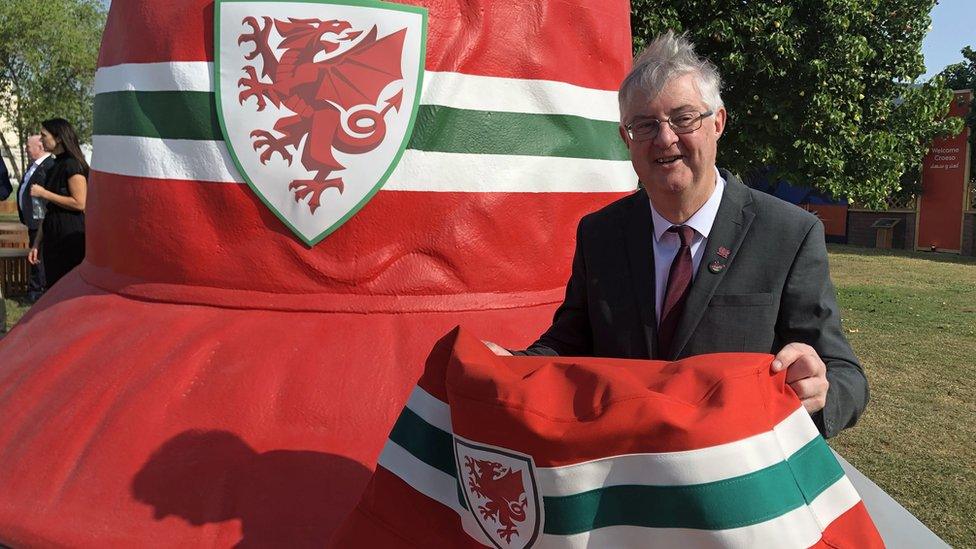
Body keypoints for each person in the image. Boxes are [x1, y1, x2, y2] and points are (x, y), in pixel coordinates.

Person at [488, 32, 867, 439]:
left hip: (730, 478)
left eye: (683, 118)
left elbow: (845, 375)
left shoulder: (789, 233)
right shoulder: (600, 233)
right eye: (645, 125)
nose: (665, 139)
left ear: (717, 122)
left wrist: (820, 390)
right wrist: (509, 367)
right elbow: (571, 342)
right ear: (626, 139)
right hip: (625, 470)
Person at [28, 119, 88, 289]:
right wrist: (37, 243)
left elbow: (80, 202)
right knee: (54, 285)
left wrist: (44, 193)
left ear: (59, 138)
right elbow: (49, 209)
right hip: (53, 234)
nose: (41, 139)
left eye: (44, 135)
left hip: (70, 236)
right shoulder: (54, 165)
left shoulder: (72, 164)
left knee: (68, 287)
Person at [18, 135, 53, 300]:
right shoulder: (34, 165)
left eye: (28, 145)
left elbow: (46, 198)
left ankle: (38, 292)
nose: (26, 148)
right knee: (35, 255)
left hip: (39, 221)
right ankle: (35, 289)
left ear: (40, 147)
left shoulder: (48, 166)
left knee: (38, 256)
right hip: (32, 221)